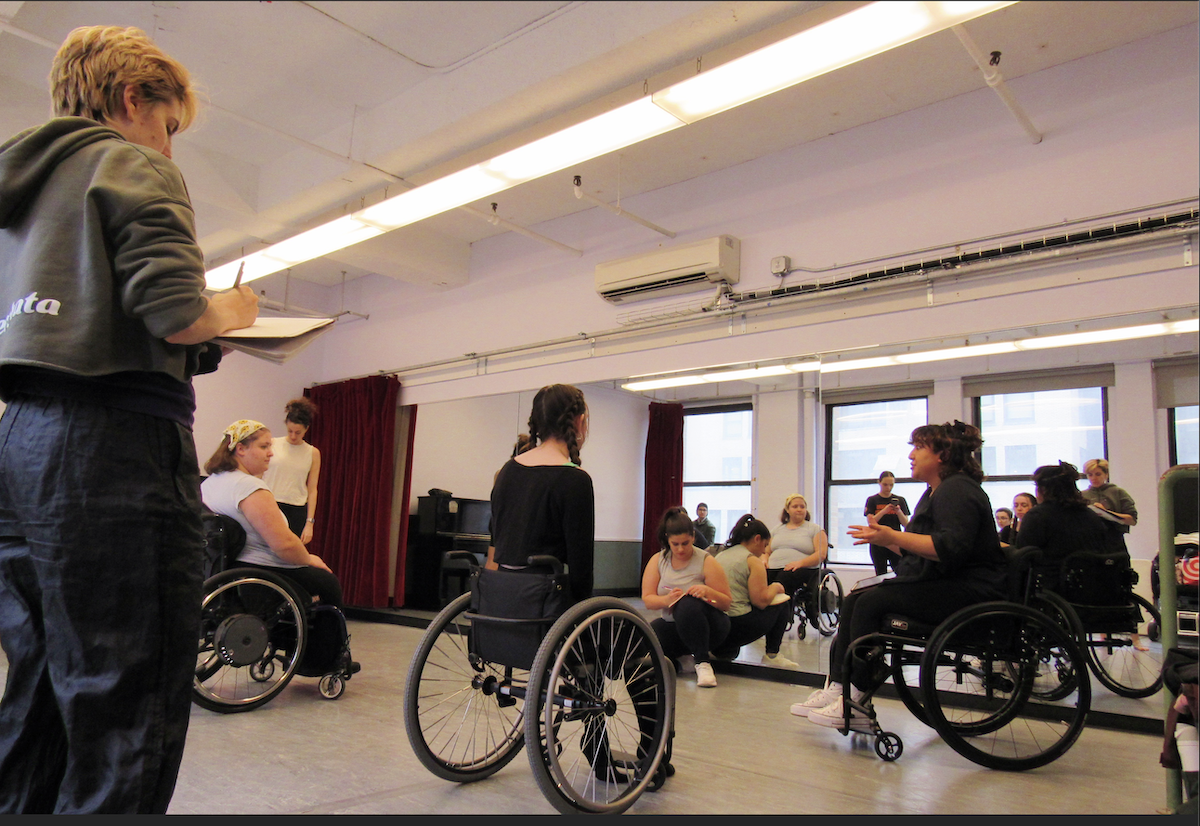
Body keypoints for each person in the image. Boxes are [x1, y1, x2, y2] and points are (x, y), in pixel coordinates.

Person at [0, 26, 258, 814]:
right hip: (114, 450)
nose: (169, 149)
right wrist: (236, 311)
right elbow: (177, 312)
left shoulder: (23, 193)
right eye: (169, 125)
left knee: (43, 686)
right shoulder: (131, 161)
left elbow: (96, 320)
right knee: (126, 701)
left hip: (20, 442)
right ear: (130, 98)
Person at [795, 422, 1007, 730]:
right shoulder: (937, 491)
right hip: (949, 582)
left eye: (919, 447)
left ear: (942, 455)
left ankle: (856, 698)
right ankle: (841, 687)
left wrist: (893, 536)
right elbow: (921, 547)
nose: (911, 454)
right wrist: (886, 539)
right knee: (856, 599)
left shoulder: (957, 490)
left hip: (968, 591)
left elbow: (948, 548)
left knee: (869, 604)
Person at [201, 420, 344, 610]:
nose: (271, 453)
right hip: (261, 571)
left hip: (224, 569)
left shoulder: (209, 483)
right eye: (264, 446)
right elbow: (284, 545)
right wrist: (309, 559)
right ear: (241, 449)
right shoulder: (250, 488)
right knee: (328, 582)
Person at [487, 384, 594, 604]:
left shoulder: (507, 471)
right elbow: (580, 569)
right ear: (579, 421)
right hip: (544, 600)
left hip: (500, 594)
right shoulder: (576, 479)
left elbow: (496, 541)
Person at [641, 507, 732, 688]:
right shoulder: (658, 560)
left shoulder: (706, 560)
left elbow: (726, 603)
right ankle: (682, 664)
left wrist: (707, 592)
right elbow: (648, 599)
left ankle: (702, 662)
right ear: (667, 539)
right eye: (675, 544)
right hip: (676, 625)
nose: (681, 549)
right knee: (652, 633)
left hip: (710, 625)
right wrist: (666, 600)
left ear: (693, 537)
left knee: (687, 605)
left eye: (685, 543)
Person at [1017, 461, 1127, 592]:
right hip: (1094, 587)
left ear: (1043, 490)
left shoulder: (1037, 516)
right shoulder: (1091, 516)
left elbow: (1022, 553)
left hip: (1055, 587)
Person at [713, 515, 799, 669]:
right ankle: (772, 655)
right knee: (783, 602)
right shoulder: (752, 560)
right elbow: (760, 601)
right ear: (757, 539)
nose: (764, 551)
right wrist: (776, 586)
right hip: (737, 625)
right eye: (765, 545)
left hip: (717, 625)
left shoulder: (720, 555)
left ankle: (720, 651)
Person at [767, 493, 830, 637]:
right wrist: (764, 560)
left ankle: (779, 619)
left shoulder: (814, 529)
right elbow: (766, 551)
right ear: (787, 510)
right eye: (795, 506)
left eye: (802, 506)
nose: (799, 509)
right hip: (774, 566)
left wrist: (800, 562)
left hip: (803, 568)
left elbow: (821, 554)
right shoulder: (777, 529)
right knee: (760, 577)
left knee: (783, 579)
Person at [262, 397, 321, 543]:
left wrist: (309, 523)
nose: (293, 436)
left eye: (298, 432)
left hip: (296, 509)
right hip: (270, 504)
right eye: (290, 431)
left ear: (306, 429)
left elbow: (312, 489)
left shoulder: (313, 453)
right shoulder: (273, 444)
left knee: (289, 556)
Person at [862, 473, 910, 575]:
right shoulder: (872, 500)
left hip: (895, 541)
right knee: (880, 572)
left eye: (891, 485)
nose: (888, 488)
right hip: (878, 542)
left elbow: (906, 524)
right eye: (885, 484)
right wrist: (884, 510)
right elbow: (871, 522)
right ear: (879, 483)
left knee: (900, 571)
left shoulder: (900, 500)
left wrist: (898, 511)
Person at [1081, 458, 1138, 534]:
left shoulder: (1118, 492)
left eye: (1098, 474)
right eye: (1090, 475)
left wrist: (1105, 512)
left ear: (1106, 474)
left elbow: (1132, 520)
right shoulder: (1081, 495)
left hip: (1113, 538)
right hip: (1089, 539)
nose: (1093, 478)